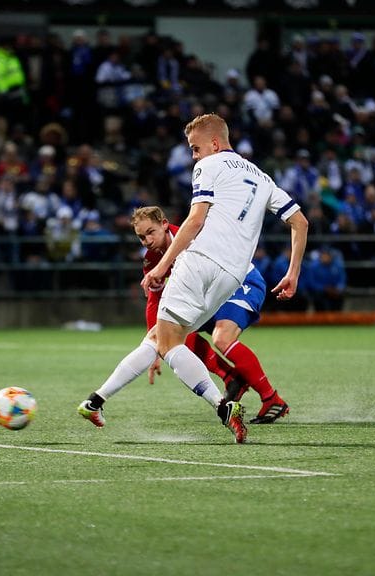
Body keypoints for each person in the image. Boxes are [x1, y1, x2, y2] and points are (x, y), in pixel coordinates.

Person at [83, 113, 309, 444]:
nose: (193, 156)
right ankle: (95, 401)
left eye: (195, 148)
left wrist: (162, 267)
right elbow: (301, 222)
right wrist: (292, 273)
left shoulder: (210, 165)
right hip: (232, 276)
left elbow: (195, 220)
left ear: (214, 143)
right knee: (162, 338)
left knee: (167, 342)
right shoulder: (262, 178)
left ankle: (222, 407)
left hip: (200, 261)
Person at [76, 206, 290, 431]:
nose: (147, 240)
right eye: (141, 237)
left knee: (222, 338)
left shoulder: (190, 236)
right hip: (210, 291)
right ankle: (230, 379)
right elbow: (154, 302)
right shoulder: (152, 259)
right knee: (177, 337)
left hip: (241, 282)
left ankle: (271, 398)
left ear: (165, 224)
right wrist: (159, 348)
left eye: (151, 232)